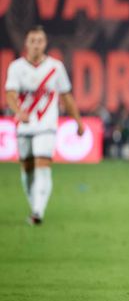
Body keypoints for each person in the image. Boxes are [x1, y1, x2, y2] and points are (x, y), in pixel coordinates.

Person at [4, 25, 84, 225]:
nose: (36, 45)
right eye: (33, 41)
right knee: (27, 171)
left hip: (47, 126)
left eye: (40, 41)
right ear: (26, 44)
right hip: (24, 126)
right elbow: (10, 94)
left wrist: (78, 121)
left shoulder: (56, 68)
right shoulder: (16, 68)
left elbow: (66, 97)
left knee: (42, 165)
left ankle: (38, 211)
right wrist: (18, 111)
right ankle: (35, 207)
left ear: (45, 43)